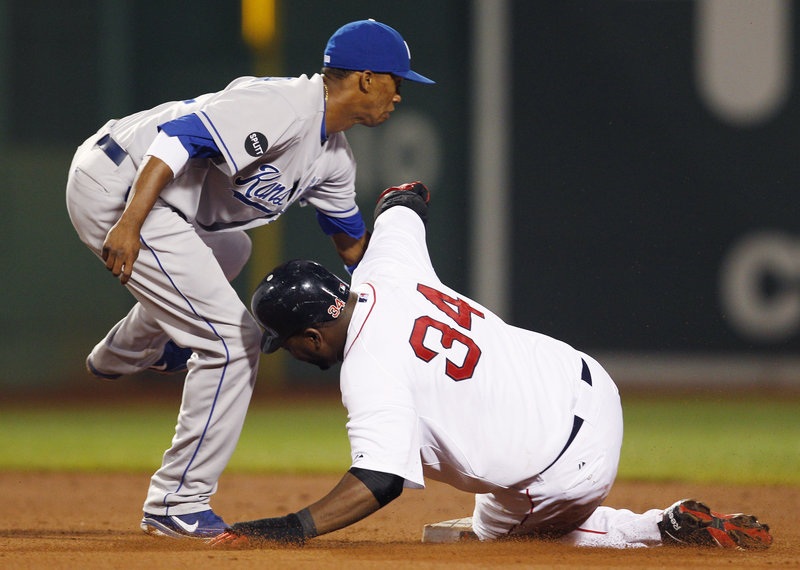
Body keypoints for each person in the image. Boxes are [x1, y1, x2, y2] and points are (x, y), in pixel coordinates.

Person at [211, 182, 772, 550]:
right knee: (490, 501)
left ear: (311, 335)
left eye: (290, 344)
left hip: (566, 469)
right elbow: (403, 202)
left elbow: (380, 480)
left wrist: (292, 528)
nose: (299, 356)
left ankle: (658, 527)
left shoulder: (368, 371)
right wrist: (391, 204)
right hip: (591, 384)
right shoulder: (382, 268)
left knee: (481, 537)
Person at [64, 20, 434, 539]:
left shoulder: (334, 158)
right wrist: (128, 222)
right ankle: (176, 502)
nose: (400, 96)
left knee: (234, 246)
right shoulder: (284, 106)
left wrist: (409, 293)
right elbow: (177, 139)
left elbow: (354, 250)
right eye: (399, 81)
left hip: (170, 208)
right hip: (122, 184)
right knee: (233, 343)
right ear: (367, 79)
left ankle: (130, 353)